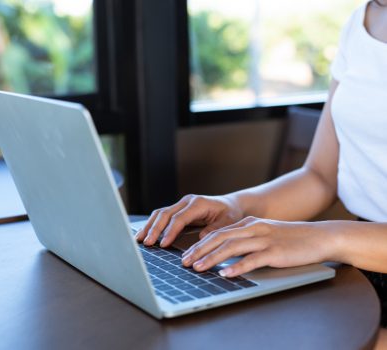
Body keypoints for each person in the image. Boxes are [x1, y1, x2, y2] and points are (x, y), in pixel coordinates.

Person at [136, 0, 387, 347]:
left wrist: (326, 238)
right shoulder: (362, 22)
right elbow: (319, 177)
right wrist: (234, 206)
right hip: (366, 270)